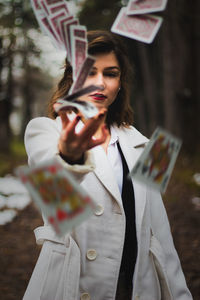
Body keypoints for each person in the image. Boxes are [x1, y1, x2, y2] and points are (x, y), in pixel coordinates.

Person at [23, 30, 193, 300]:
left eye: (111, 73)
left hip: (137, 289)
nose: (99, 83)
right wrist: (69, 158)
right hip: (72, 287)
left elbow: (161, 238)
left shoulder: (152, 146)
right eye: (89, 72)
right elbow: (55, 201)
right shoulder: (43, 131)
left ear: (121, 81)